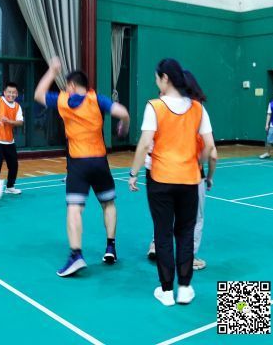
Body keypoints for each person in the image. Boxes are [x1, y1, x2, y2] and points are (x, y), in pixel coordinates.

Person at [128, 59, 216, 306]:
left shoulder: (155, 106)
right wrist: (196, 163)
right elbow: (210, 147)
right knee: (186, 232)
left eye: (157, 78)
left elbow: (144, 144)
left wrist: (133, 173)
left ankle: (166, 291)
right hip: (189, 179)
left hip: (160, 179)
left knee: (163, 232)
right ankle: (185, 288)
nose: (156, 82)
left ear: (165, 78)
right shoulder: (198, 108)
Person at [34, 57, 130, 277]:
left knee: (74, 209)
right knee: (108, 204)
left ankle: (76, 255)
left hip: (78, 163)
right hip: (99, 161)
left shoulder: (63, 100)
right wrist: (124, 127)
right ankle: (110, 247)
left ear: (71, 85)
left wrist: (52, 71)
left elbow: (38, 95)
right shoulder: (97, 99)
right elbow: (123, 113)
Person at [145, 70, 218, 272]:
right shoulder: (198, 111)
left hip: (163, 171)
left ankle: (156, 245)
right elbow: (212, 152)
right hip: (192, 175)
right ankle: (189, 258)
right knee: (193, 219)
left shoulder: (160, 106)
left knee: (164, 215)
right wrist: (209, 176)